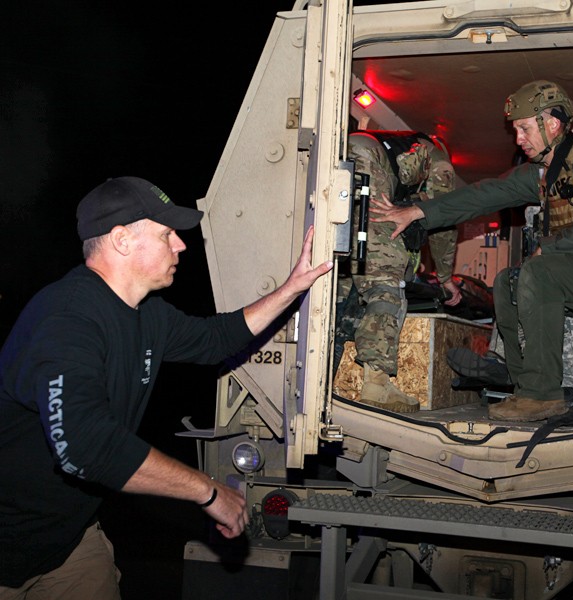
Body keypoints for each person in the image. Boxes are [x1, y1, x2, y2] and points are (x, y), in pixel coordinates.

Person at [0, 176, 333, 598]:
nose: (181, 245)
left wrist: (292, 288)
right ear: (121, 240)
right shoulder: (68, 318)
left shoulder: (148, 314)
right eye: (166, 234)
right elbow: (85, 449)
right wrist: (207, 491)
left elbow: (217, 338)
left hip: (67, 543)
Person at [371, 80, 573, 421]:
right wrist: (418, 211)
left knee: (538, 271)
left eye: (524, 129)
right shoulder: (547, 170)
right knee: (508, 281)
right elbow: (484, 194)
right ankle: (524, 385)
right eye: (516, 130)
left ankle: (542, 395)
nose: (518, 139)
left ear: (552, 124)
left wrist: (547, 249)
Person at [341, 131, 460, 413]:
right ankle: (376, 384)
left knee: (343, 273)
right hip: (367, 163)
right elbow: (444, 218)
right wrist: (445, 277)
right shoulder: (440, 163)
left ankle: (329, 370)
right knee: (387, 274)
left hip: (342, 160)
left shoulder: (404, 148)